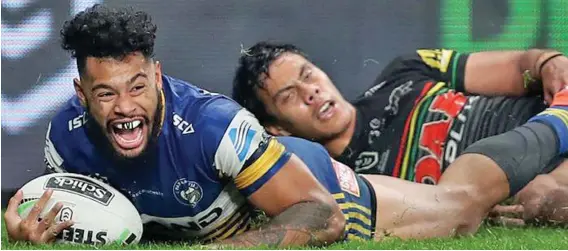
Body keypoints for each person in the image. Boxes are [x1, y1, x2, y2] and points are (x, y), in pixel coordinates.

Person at [5, 4, 568, 248]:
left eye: (137, 87)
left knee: (461, 207)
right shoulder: (66, 139)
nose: (125, 106)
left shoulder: (213, 125)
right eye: (106, 94)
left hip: (321, 187)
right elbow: (73, 213)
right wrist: (27, 224)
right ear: (82, 95)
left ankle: (562, 113)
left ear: (157, 75)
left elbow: (318, 217)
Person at [232, 42, 568, 224]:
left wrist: (547, 63)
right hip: (543, 179)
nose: (311, 92)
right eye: (289, 96)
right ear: (276, 128)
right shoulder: (348, 184)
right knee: (542, 196)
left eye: (308, 74)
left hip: (555, 109)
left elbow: (518, 69)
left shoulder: (403, 72)